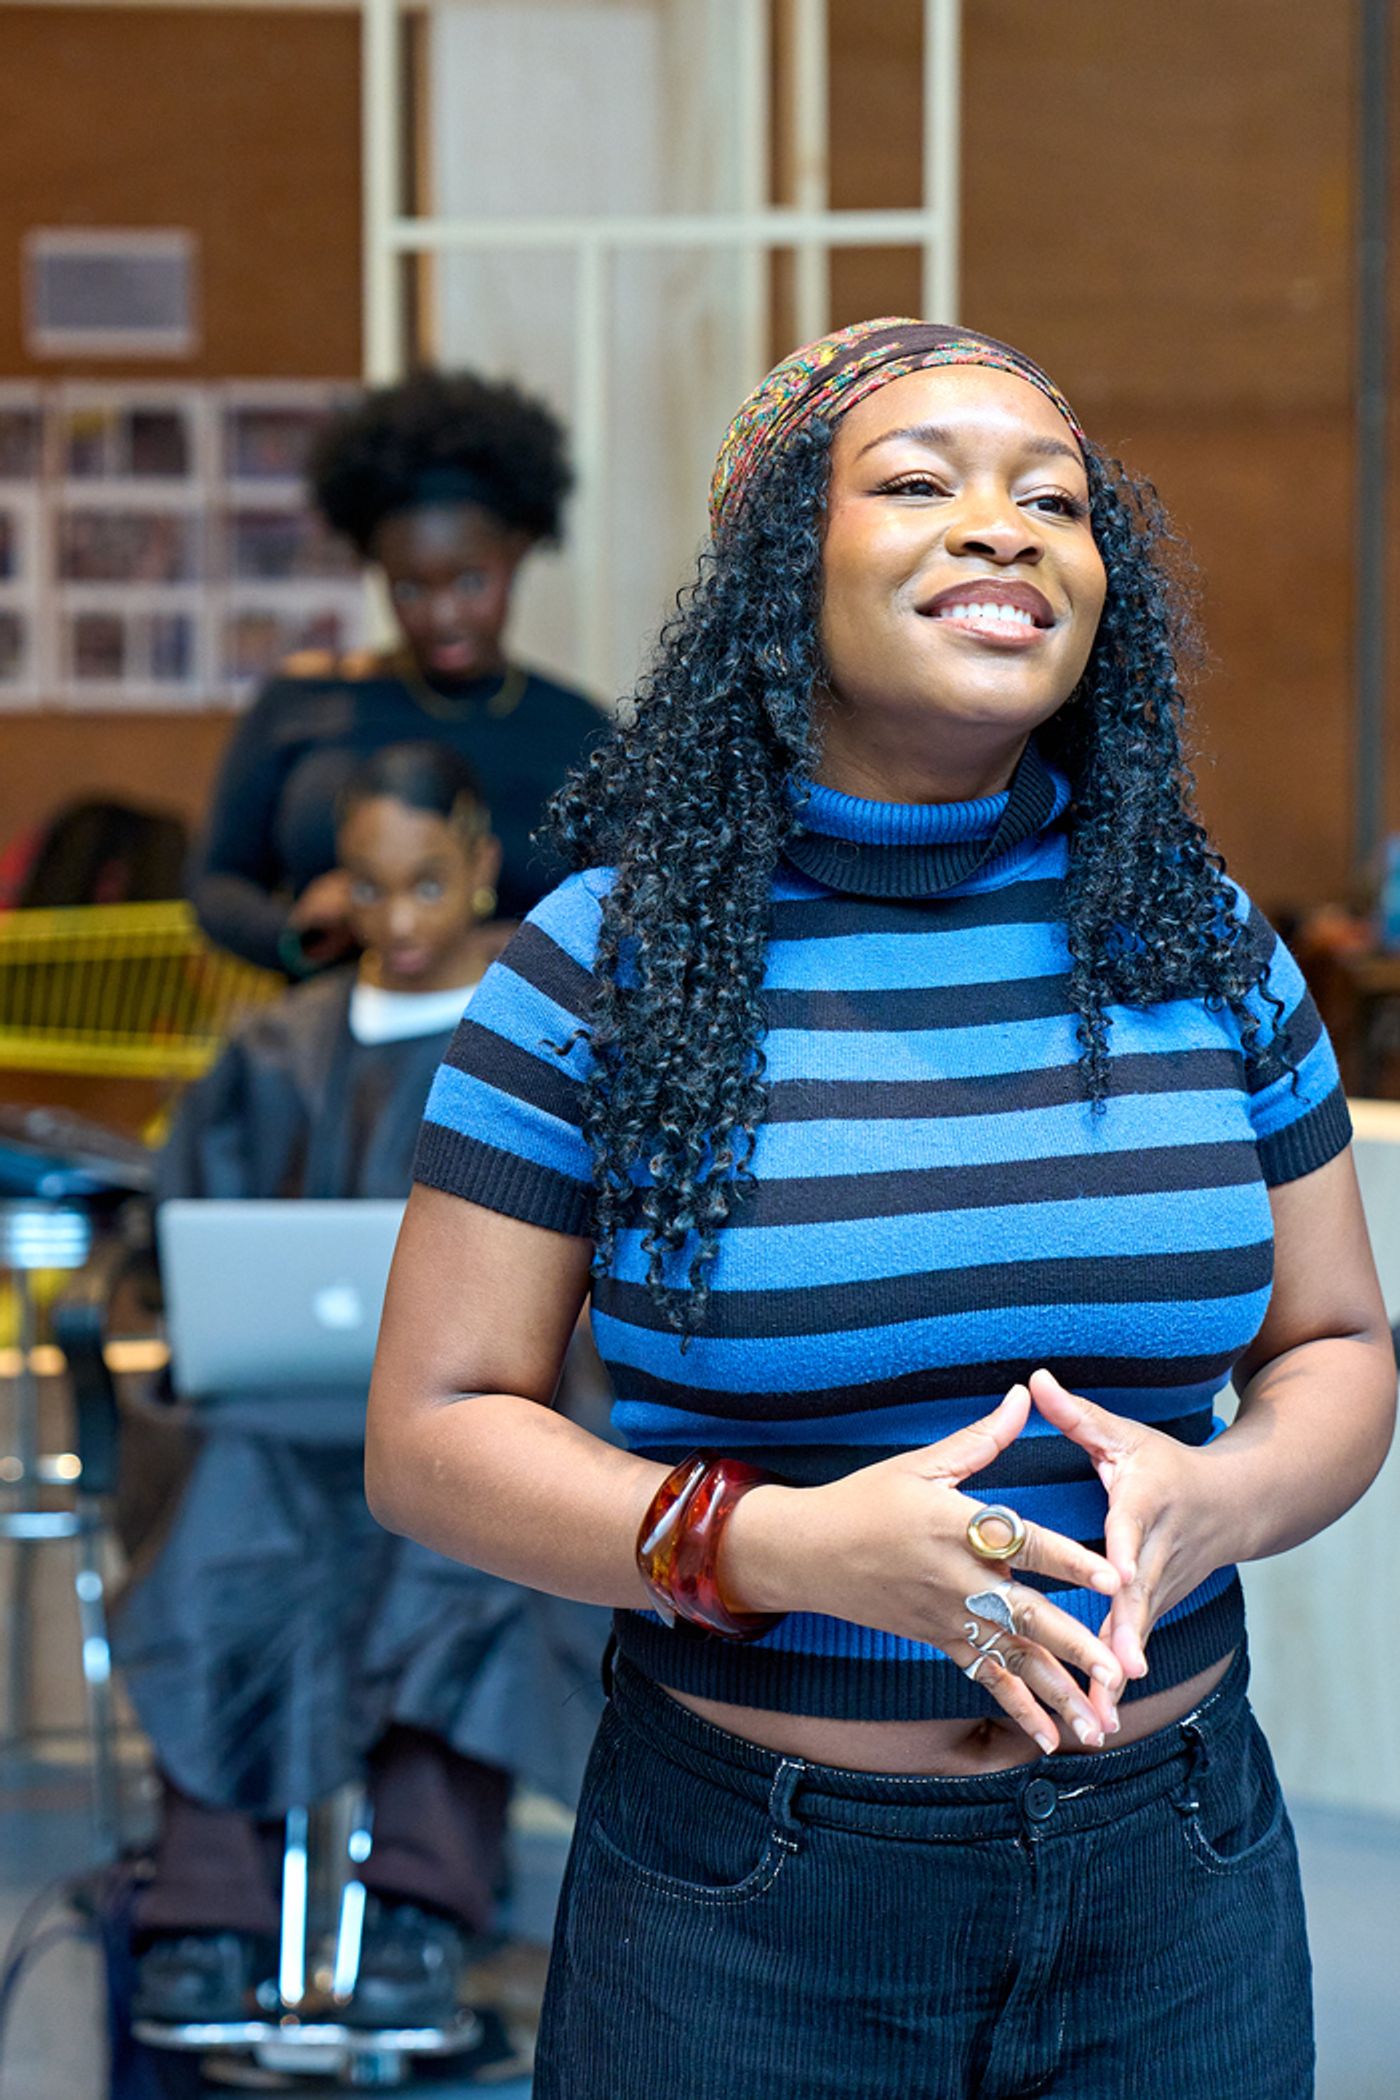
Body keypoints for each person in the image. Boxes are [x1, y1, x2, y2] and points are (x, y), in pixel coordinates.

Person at [366, 321, 1396, 2099]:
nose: (1004, 527)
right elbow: (433, 1432)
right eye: (919, 483)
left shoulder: (1199, 935)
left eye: (1055, 502)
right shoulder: (604, 963)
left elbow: (1339, 1347)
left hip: (1179, 1877)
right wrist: (775, 1548)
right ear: (786, 571)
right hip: (750, 1909)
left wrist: (1222, 1497)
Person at [118, 743, 606, 2033]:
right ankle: (207, 1906)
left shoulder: (537, 1032)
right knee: (219, 1506)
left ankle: (421, 1907)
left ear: (482, 864)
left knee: (471, 1519)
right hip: (276, 1408)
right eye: (369, 887)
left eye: (428, 884)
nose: (396, 921)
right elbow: (179, 1240)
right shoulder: (274, 1043)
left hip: (478, 1402)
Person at [188, 370, 601, 975]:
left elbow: (631, 898)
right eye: (410, 589)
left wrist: (537, 957)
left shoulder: (578, 731)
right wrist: (294, 938)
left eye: (470, 581)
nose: (443, 617)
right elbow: (217, 884)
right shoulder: (303, 705)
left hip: (520, 1030)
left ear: (517, 551)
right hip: (344, 1025)